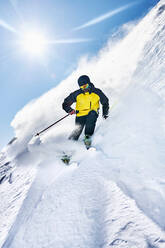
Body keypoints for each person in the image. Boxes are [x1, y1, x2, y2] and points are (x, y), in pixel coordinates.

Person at [62, 75, 109, 147]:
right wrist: (69, 110)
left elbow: (105, 102)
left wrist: (105, 113)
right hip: (80, 114)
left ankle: (87, 137)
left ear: (89, 83)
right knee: (77, 130)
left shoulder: (97, 92)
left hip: (92, 112)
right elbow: (65, 103)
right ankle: (68, 147)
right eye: (82, 87)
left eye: (86, 86)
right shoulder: (77, 94)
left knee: (91, 118)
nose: (84, 88)